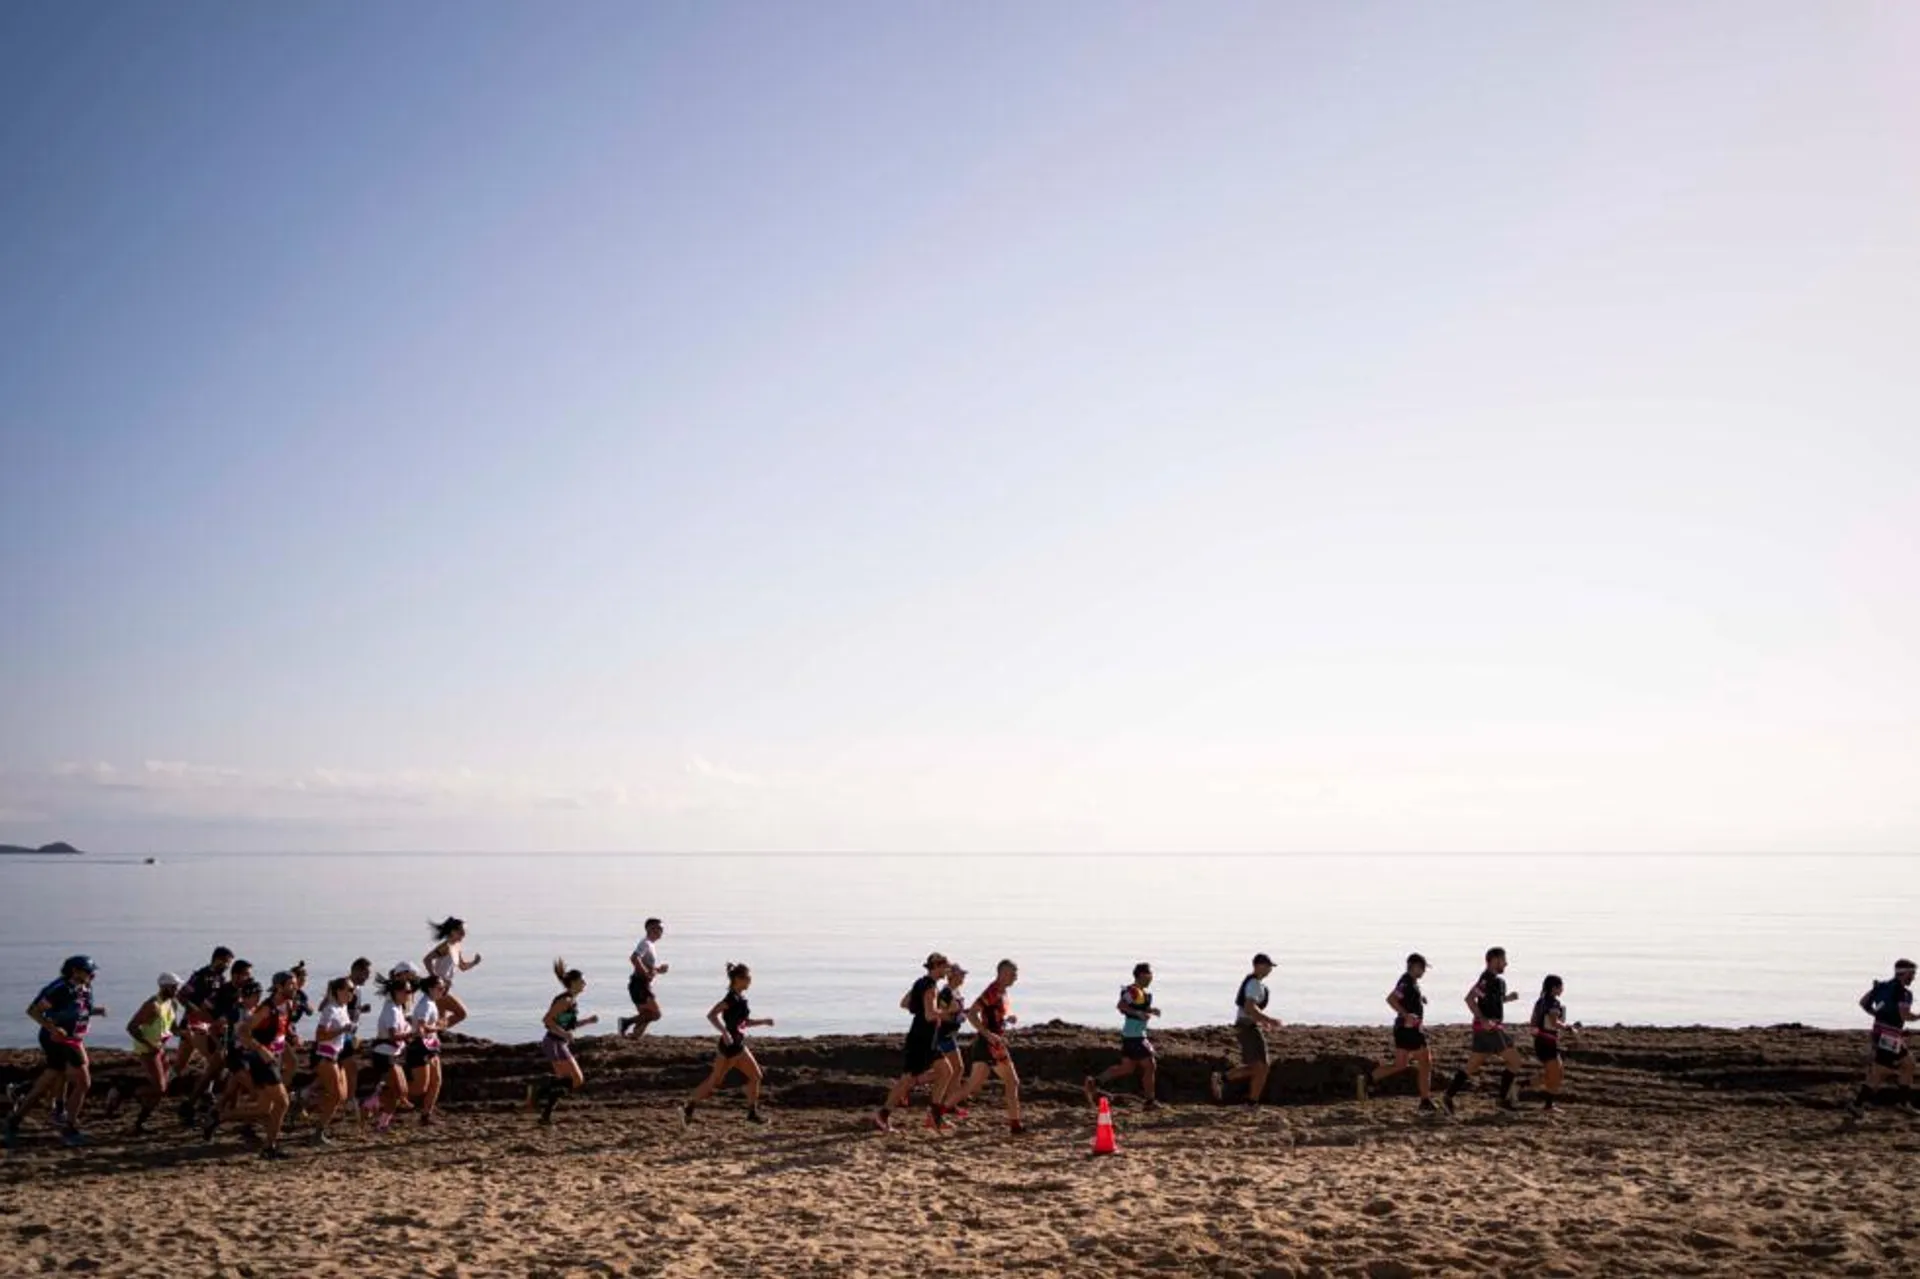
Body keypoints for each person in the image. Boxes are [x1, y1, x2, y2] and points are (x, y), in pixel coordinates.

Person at [5, 955, 102, 1148]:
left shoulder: (85, 987)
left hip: (74, 1038)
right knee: (83, 1082)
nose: (93, 975)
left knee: (50, 1077)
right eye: (89, 971)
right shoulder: (60, 989)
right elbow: (33, 1011)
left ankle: (15, 1118)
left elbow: (78, 1010)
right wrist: (53, 1029)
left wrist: (95, 1011)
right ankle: (69, 1128)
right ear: (75, 971)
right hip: (60, 1039)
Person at [206, 970, 297, 1158]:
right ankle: (269, 1148)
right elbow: (243, 1033)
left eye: (295, 984)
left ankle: (219, 1117)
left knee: (264, 1109)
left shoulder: (287, 1004)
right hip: (262, 1061)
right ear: (279, 987)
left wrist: (290, 1035)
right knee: (282, 1103)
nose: (295, 987)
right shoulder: (265, 1008)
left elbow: (280, 1028)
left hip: (275, 1058)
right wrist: (261, 1049)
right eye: (291, 984)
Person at [682, 962, 774, 1126]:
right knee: (714, 1081)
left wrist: (764, 1021)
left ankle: (752, 1114)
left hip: (739, 1045)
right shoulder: (730, 999)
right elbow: (711, 1015)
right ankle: (688, 1107)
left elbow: (743, 1022)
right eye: (747, 978)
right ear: (738, 979)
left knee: (756, 1076)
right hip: (729, 1048)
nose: (750, 981)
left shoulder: (741, 998)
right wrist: (724, 1033)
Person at [1442, 947, 1528, 1115]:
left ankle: (1448, 1096)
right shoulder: (1486, 979)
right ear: (1494, 960)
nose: (1506, 963)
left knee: (1471, 1066)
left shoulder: (1496, 981)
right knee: (1515, 1061)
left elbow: (1492, 1000)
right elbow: (1469, 999)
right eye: (1503, 960)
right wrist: (1482, 1019)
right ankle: (1502, 1100)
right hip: (1489, 1029)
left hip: (1486, 1028)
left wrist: (1508, 998)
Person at [875, 953, 955, 1131]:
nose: (947, 970)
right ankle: (883, 1115)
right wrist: (949, 1012)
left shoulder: (920, 982)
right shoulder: (931, 987)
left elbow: (904, 1003)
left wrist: (922, 1008)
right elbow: (929, 1015)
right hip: (922, 1040)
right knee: (906, 1080)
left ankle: (935, 1116)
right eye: (945, 967)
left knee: (946, 1071)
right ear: (936, 967)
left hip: (925, 1038)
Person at [946, 959, 1026, 1134]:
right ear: (1003, 973)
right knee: (1009, 1082)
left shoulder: (1002, 992)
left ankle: (937, 1112)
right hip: (988, 1044)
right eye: (1013, 974)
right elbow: (972, 1014)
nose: (1016, 978)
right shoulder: (993, 991)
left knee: (973, 1086)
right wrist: (988, 1034)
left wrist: (1006, 1020)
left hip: (992, 1044)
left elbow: (992, 1016)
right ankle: (1015, 1125)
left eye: (1016, 974)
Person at [1358, 953, 1437, 1114]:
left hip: (1403, 1030)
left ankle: (1368, 1079)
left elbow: (1404, 998)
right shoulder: (1406, 981)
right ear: (1414, 966)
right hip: (1409, 1030)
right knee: (1426, 1062)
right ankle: (1425, 1100)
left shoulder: (1411, 982)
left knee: (1400, 1065)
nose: (1424, 972)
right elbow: (1391, 999)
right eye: (1422, 968)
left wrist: (1420, 999)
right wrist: (1406, 1015)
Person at [1084, 962, 1162, 1111]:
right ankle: (1150, 1101)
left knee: (1127, 1068)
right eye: (1149, 974)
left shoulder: (1142, 993)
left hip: (1132, 1035)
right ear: (1140, 975)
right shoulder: (1132, 991)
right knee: (1150, 1065)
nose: (1151, 977)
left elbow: (1136, 1008)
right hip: (1135, 1036)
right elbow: (1121, 1006)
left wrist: (1151, 1010)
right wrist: (1138, 1013)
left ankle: (1095, 1082)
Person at [1210, 953, 1283, 1108]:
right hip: (1247, 1027)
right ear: (1257, 966)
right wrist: (1269, 1020)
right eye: (1267, 965)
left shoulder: (1256, 984)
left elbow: (1250, 1009)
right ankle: (1250, 1101)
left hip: (1248, 1025)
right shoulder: (1254, 984)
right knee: (1262, 1067)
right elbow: (1250, 1007)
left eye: (1271, 966)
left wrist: (1262, 1021)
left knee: (1258, 1067)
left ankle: (1225, 1080)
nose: (1270, 969)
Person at [530, 959, 596, 1125]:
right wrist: (564, 1034)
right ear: (574, 983)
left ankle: (545, 1116)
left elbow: (569, 1024)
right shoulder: (565, 1000)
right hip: (554, 1043)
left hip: (557, 1043)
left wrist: (587, 1021)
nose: (585, 984)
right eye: (582, 981)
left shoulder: (572, 1001)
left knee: (564, 1083)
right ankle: (538, 1091)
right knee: (576, 1080)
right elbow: (547, 1020)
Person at [1848, 958, 1917, 1118]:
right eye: (1912, 974)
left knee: (1908, 1064)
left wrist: (1877, 1015)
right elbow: (1905, 1016)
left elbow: (1863, 1002)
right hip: (1889, 1037)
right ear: (1903, 973)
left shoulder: (1881, 986)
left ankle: (1903, 1102)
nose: (1913, 978)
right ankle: (1857, 1104)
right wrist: (1918, 1017)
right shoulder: (1904, 993)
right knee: (1881, 1072)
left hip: (1881, 1033)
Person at [123, 972, 183, 1132]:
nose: (177, 990)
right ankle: (124, 1091)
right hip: (148, 1050)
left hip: (160, 1048)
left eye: (177, 987)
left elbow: (172, 1027)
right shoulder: (152, 1005)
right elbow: (131, 1027)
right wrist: (149, 1044)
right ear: (164, 987)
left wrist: (186, 1032)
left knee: (160, 1091)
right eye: (174, 987)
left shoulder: (172, 1004)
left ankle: (139, 1124)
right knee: (159, 1088)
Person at [366, 966, 416, 1133]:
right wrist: (412, 1034)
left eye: (410, 992)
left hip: (393, 1053)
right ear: (396, 992)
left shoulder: (399, 1008)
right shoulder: (391, 1010)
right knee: (401, 1092)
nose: (409, 995)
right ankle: (374, 1099)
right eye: (406, 992)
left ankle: (382, 1122)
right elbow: (394, 1035)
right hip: (383, 1054)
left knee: (399, 1093)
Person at [308, 976, 357, 1143]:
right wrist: (342, 1030)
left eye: (353, 990)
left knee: (340, 1096)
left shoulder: (342, 1007)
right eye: (349, 990)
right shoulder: (330, 1009)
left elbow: (341, 1033)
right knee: (336, 1096)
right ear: (339, 991)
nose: (353, 992)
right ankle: (318, 1132)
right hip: (324, 1056)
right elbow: (319, 1035)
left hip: (335, 1055)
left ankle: (303, 1098)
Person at [174, 947, 233, 1081]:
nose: (227, 966)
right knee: (214, 1059)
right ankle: (206, 1092)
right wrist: (196, 1011)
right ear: (217, 960)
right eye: (226, 962)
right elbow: (181, 995)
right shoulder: (200, 976)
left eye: (229, 963)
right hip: (193, 1025)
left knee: (180, 1065)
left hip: (206, 1025)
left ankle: (160, 1089)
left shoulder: (221, 979)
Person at [423, 918, 482, 1032]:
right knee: (461, 1013)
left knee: (441, 1019)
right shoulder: (445, 946)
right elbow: (427, 959)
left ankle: (433, 1036)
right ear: (452, 931)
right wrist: (435, 978)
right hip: (439, 988)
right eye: (461, 931)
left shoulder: (457, 946)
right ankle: (430, 1033)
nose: (464, 934)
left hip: (444, 988)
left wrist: (474, 962)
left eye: (464, 931)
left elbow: (462, 966)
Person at [1531, 975, 1579, 1113]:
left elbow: (1533, 1021)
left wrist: (1537, 1031)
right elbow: (1554, 1022)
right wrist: (1568, 1028)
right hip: (1548, 1042)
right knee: (1556, 1074)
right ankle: (1548, 1105)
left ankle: (1520, 1086)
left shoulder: (1540, 1001)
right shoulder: (1553, 1003)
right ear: (1554, 988)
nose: (1563, 989)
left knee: (1555, 1074)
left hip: (1541, 1042)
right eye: (1561, 986)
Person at [619, 918, 669, 1037]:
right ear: (648, 929)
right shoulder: (645, 943)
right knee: (656, 1014)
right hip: (639, 984)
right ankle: (625, 1022)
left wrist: (658, 970)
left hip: (641, 984)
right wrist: (646, 974)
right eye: (656, 928)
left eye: (661, 928)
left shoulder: (650, 945)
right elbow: (634, 958)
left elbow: (646, 966)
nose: (659, 931)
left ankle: (634, 1037)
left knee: (646, 1015)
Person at [407, 974, 446, 1125]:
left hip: (431, 1046)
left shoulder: (431, 1002)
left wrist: (438, 1025)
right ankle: (387, 1096)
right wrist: (439, 1026)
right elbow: (422, 1026)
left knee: (436, 1081)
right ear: (430, 989)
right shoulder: (425, 1005)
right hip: (421, 1047)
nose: (442, 991)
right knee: (419, 1087)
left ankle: (426, 1115)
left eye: (443, 988)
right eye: (440, 988)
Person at [932, 964, 970, 1115]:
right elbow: (940, 1014)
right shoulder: (946, 993)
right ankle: (913, 1083)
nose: (963, 977)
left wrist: (963, 1014)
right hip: (942, 1036)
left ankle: (949, 1103)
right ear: (952, 976)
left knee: (957, 1069)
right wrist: (956, 1015)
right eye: (961, 975)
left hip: (950, 1035)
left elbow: (956, 1013)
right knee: (949, 1070)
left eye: (963, 974)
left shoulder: (956, 992)